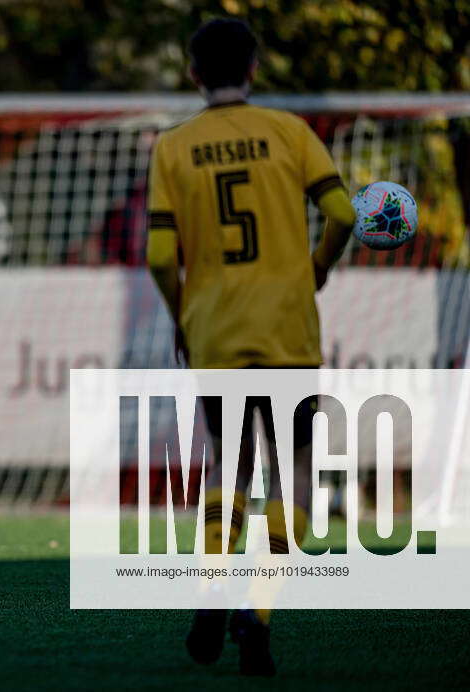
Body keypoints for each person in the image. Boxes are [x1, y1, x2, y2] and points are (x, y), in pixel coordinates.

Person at [146, 19, 356, 676]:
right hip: (289, 327)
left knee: (227, 463)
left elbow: (157, 253)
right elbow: (345, 214)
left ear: (193, 74)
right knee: (293, 467)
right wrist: (318, 266)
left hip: (216, 328)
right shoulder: (291, 132)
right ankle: (258, 609)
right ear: (256, 70)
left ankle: (212, 586)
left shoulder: (174, 146)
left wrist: (182, 314)